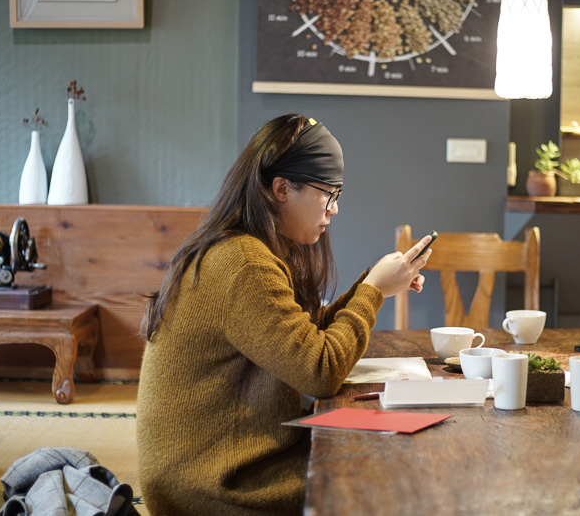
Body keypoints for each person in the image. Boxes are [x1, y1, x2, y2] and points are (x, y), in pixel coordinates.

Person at [136, 114, 433, 516]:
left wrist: (375, 286)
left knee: (385, 455)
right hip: (215, 485)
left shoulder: (246, 250)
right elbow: (319, 370)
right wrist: (372, 291)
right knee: (388, 474)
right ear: (281, 189)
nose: (335, 209)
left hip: (229, 463)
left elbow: (299, 340)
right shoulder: (243, 263)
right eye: (328, 194)